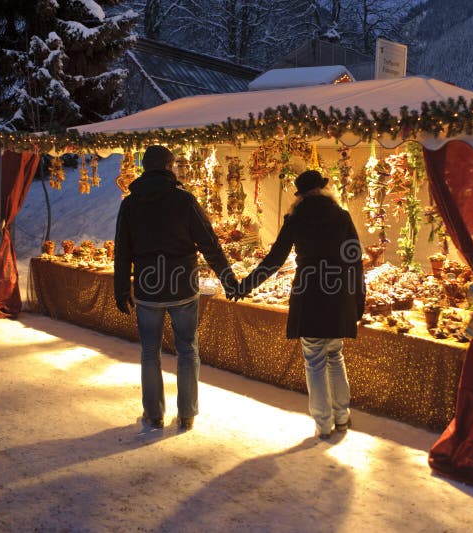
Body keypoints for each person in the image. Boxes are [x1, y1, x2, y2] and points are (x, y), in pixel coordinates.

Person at [235, 170, 365, 439]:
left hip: (309, 293)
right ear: (324, 189)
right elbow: (354, 259)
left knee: (315, 360)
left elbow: (274, 259)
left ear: (301, 194)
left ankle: (323, 424)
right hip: (338, 292)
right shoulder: (341, 216)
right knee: (334, 356)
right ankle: (342, 417)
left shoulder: (296, 218)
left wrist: (246, 285)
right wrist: (358, 301)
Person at [114, 145, 236, 431]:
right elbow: (209, 243)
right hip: (182, 286)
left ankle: (154, 415)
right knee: (188, 351)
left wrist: (121, 288)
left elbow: (122, 251)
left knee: (149, 353)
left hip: (148, 288)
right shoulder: (184, 201)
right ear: (169, 167)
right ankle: (186, 414)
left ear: (146, 168)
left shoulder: (130, 204)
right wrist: (227, 278)